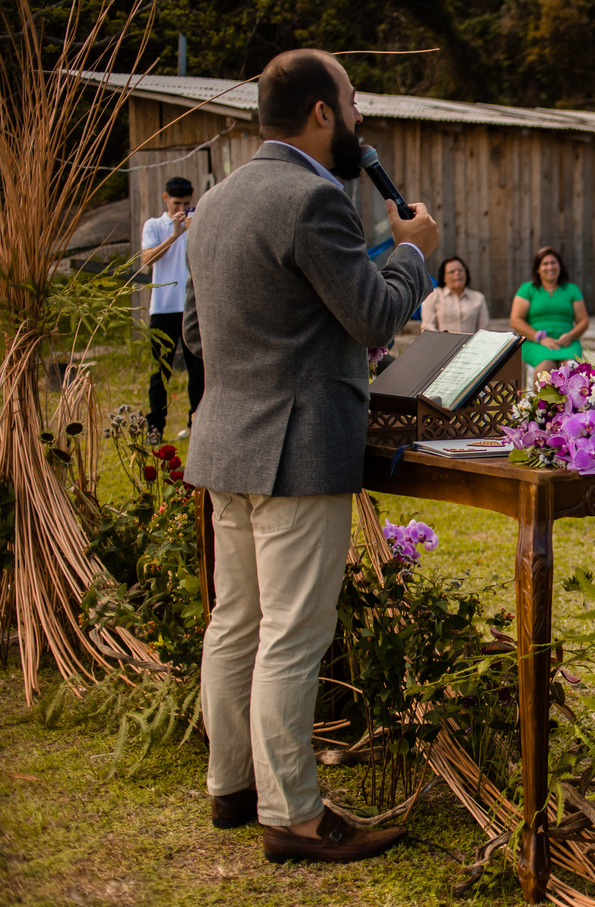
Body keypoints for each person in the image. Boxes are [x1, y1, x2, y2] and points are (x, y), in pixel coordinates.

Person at [184, 48, 439, 863]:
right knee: (293, 635)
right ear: (323, 113)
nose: (360, 118)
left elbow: (195, 334)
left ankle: (231, 785)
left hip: (226, 443)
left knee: (235, 623)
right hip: (298, 450)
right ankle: (293, 815)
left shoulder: (216, 202)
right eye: (353, 102)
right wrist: (412, 251)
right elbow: (374, 317)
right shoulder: (314, 198)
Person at [141, 176, 205, 444]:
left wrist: (193, 230)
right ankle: (155, 428)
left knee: (198, 370)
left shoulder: (197, 222)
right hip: (163, 308)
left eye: (187, 204)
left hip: (193, 306)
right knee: (160, 371)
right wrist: (174, 236)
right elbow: (147, 259)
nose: (181, 209)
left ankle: (197, 425)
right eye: (177, 203)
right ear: (165, 198)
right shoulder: (155, 225)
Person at [511, 247, 589, 373]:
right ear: (538, 268)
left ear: (560, 266)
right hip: (535, 342)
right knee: (546, 367)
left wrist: (571, 336)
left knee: (570, 367)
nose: (550, 267)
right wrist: (539, 338)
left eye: (553, 263)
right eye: (545, 264)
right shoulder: (527, 290)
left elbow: (583, 320)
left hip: (567, 342)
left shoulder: (571, 289)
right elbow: (515, 321)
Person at [421, 255, 490, 334]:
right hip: (442, 341)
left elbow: (483, 330)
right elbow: (428, 326)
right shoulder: (433, 296)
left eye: (460, 270)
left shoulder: (478, 298)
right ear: (444, 277)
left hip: (471, 342)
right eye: (452, 272)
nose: (457, 273)